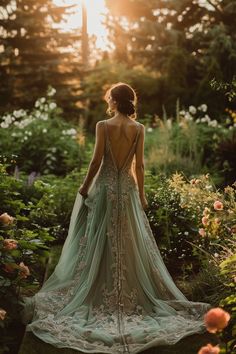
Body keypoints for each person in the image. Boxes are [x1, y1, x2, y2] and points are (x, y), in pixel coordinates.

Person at [22, 82, 211, 354]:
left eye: (109, 97)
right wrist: (142, 195)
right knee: (130, 240)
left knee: (102, 239)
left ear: (114, 100)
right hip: (128, 192)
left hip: (107, 190)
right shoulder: (138, 129)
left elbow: (96, 161)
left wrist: (85, 187)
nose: (107, 100)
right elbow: (140, 165)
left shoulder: (103, 126)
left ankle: (99, 287)